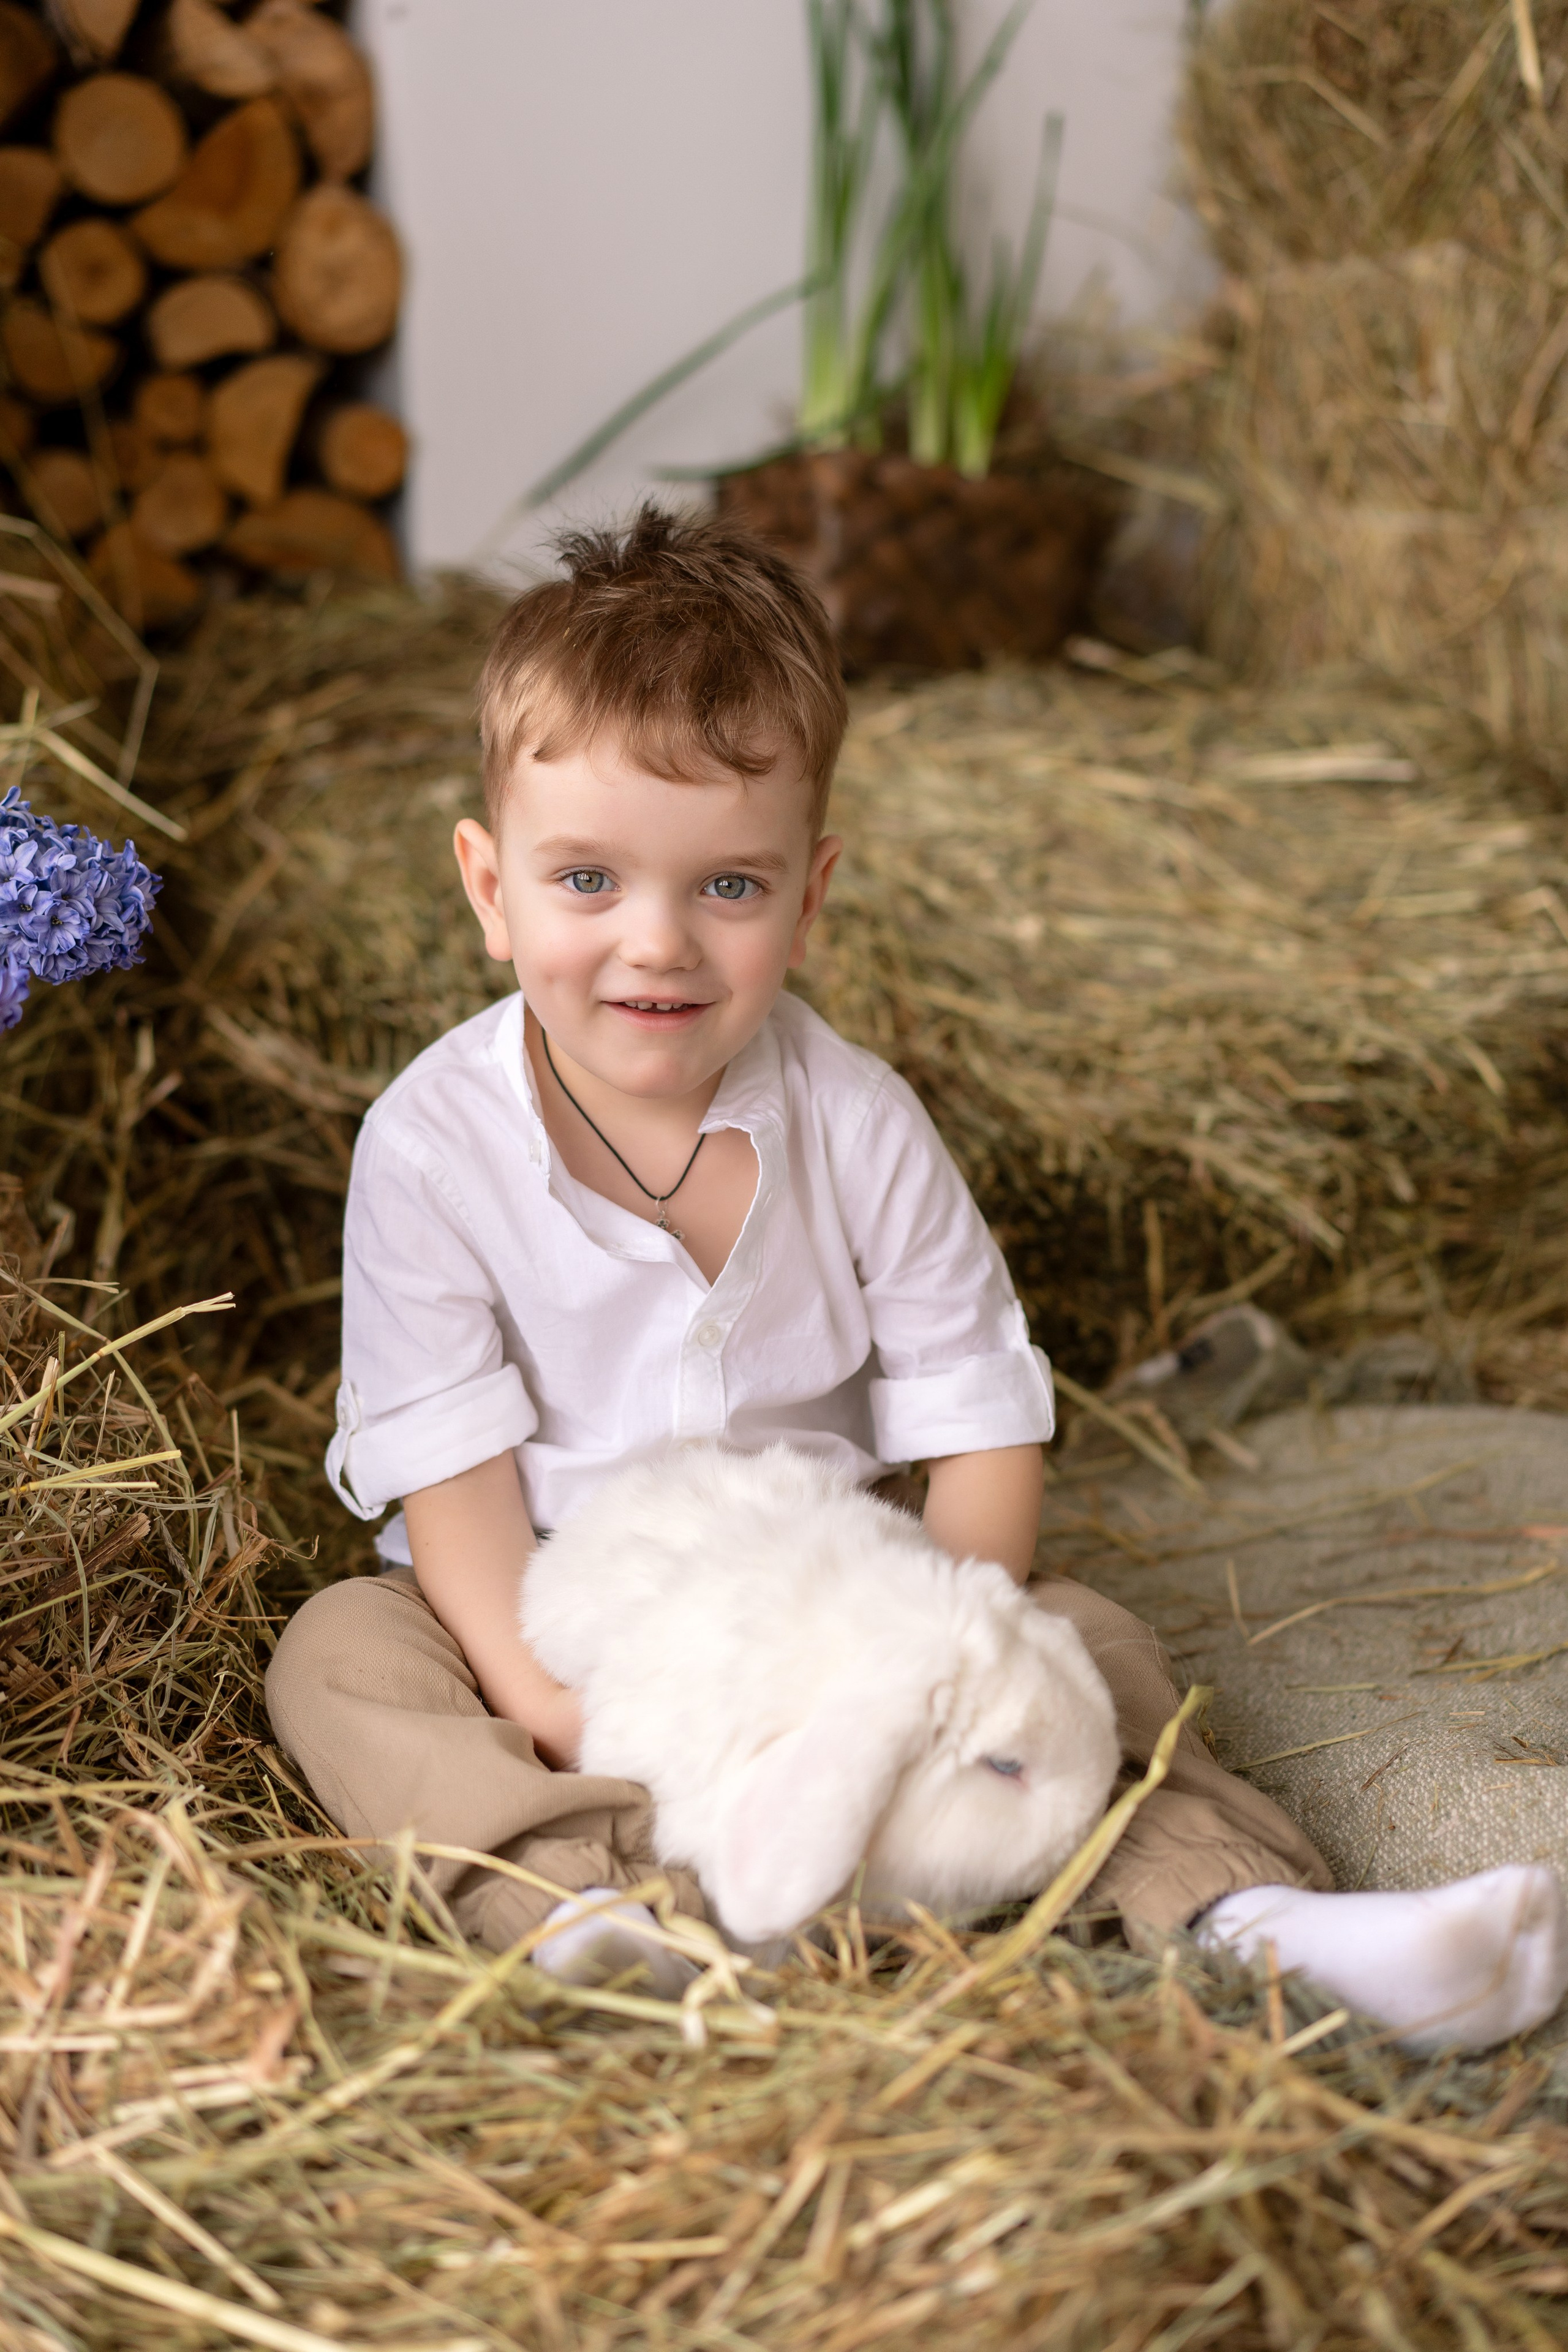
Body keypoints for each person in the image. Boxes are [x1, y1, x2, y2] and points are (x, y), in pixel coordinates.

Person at [267, 507, 1567, 2050]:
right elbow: (460, 1497)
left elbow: (974, 1421)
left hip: (834, 1570)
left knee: (1084, 1645)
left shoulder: (857, 1119)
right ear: (491, 889)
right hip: (548, 1605)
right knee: (342, 1661)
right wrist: (564, 1717)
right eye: (588, 881)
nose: (657, 944)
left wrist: (943, 1634)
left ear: (809, 894)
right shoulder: (430, 1148)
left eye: (728, 889)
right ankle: (597, 1910)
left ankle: (1244, 1917)